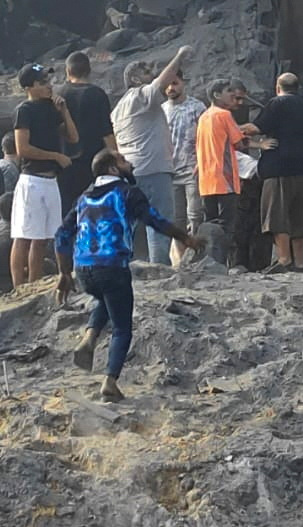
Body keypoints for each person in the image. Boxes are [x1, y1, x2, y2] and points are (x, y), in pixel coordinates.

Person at [57, 149, 205, 402]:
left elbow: (61, 235)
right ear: (113, 170)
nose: (131, 165)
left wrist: (63, 272)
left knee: (105, 298)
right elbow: (155, 220)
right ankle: (110, 381)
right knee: (122, 327)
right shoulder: (127, 193)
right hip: (113, 266)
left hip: (83, 270)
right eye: (124, 161)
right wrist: (186, 238)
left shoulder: (83, 198)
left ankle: (90, 335)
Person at [110, 47, 191, 266]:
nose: (152, 76)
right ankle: (158, 269)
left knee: (131, 224)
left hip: (130, 173)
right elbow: (162, 81)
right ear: (136, 79)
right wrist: (179, 56)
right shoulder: (141, 95)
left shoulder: (118, 108)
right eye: (147, 72)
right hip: (153, 169)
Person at [10, 64, 78, 288]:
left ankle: (34, 283)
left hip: (51, 180)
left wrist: (64, 111)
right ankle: (20, 287)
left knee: (41, 238)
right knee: (24, 235)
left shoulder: (51, 108)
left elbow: (73, 138)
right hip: (32, 178)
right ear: (29, 87)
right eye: (42, 82)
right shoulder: (25, 110)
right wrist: (55, 156)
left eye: (48, 81)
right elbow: (23, 148)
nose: (49, 86)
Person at [197, 78, 269, 268]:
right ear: (217, 95)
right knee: (227, 228)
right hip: (225, 179)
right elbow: (239, 142)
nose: (232, 95)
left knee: (209, 225)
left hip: (206, 180)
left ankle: (208, 263)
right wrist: (260, 144)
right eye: (228, 91)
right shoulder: (224, 115)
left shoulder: (204, 117)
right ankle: (222, 266)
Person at [256, 73, 303, 271]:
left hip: (279, 169)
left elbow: (257, 127)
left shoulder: (276, 104)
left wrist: (253, 140)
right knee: (299, 217)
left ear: (277, 87)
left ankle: (284, 259)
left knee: (278, 217)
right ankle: (300, 262)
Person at [57, 52, 117, 212]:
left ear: (68, 71)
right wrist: (115, 159)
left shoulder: (59, 94)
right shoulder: (96, 94)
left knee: (67, 213)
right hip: (92, 162)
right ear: (89, 71)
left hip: (64, 163)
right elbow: (107, 132)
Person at [162, 71, 206, 243]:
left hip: (192, 168)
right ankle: (180, 260)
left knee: (195, 215)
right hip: (169, 170)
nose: (170, 88)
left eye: (174, 83)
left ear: (183, 83)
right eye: (167, 85)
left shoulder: (197, 107)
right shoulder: (161, 109)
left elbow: (205, 136)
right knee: (176, 217)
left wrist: (201, 161)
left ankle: (196, 254)